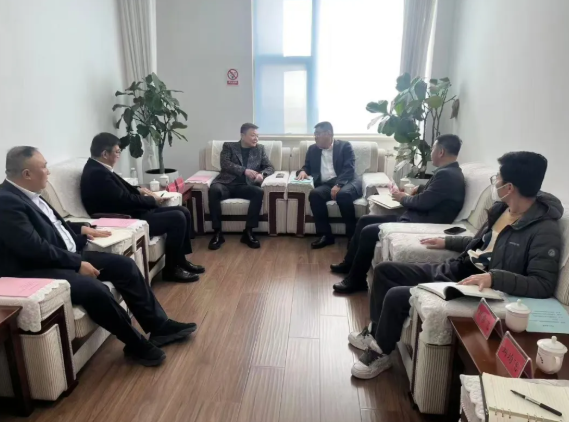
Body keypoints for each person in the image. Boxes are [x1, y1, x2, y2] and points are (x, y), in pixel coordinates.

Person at [348, 151, 563, 380]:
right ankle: (375, 332)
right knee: (385, 271)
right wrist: (448, 241)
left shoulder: (544, 230)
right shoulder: (502, 209)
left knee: (396, 295)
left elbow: (543, 284)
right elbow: (483, 244)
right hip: (459, 268)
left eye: (498, 178)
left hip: (477, 287)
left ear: (509, 187)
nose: (495, 183)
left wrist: (494, 278)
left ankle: (381, 352)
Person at [0, 147, 198, 367]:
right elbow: (34, 249)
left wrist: (82, 228)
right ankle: (135, 343)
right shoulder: (6, 202)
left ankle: (159, 327)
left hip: (64, 255)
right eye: (44, 167)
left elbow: (51, 225)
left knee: (124, 265)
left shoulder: (29, 193)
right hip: (38, 269)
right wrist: (77, 263)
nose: (48, 171)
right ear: (27, 174)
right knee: (95, 290)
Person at [332, 134, 466, 293]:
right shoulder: (450, 172)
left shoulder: (447, 175)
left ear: (441, 152)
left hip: (421, 223)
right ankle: (349, 264)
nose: (431, 153)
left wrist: (402, 198)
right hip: (417, 216)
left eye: (433, 149)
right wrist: (417, 189)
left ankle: (356, 281)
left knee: (368, 231)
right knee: (364, 220)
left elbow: (422, 203)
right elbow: (433, 195)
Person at [80, 133, 203, 283]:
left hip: (130, 210)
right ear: (105, 154)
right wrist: (152, 200)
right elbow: (124, 200)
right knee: (177, 218)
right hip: (126, 217)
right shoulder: (97, 173)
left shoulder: (99, 168)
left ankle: (180, 261)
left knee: (183, 211)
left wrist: (139, 190)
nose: (119, 155)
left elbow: (118, 192)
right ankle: (171, 270)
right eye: (117, 151)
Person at [208, 123, 274, 250]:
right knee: (214, 190)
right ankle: (217, 233)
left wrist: (262, 174)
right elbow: (225, 163)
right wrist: (244, 171)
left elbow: (269, 167)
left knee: (258, 192)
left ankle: (248, 232)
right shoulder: (229, 146)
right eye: (253, 135)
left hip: (244, 186)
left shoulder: (260, 149)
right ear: (243, 136)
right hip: (226, 184)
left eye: (257, 136)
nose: (256, 138)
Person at [296, 121, 362, 249]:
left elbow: (349, 168)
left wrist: (339, 184)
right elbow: (307, 166)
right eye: (315, 134)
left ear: (328, 134)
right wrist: (303, 171)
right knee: (315, 194)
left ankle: (352, 236)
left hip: (347, 181)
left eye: (318, 134)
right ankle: (326, 235)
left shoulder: (344, 146)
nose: (315, 137)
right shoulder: (312, 149)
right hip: (327, 184)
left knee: (343, 195)